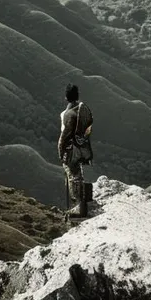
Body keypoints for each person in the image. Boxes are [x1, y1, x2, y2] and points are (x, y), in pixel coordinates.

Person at [58, 83, 93, 216]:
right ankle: (84, 202)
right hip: (83, 147)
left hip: (71, 149)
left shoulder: (67, 114)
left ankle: (79, 207)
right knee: (79, 175)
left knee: (73, 176)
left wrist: (61, 151)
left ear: (66, 97)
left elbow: (65, 135)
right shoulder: (82, 109)